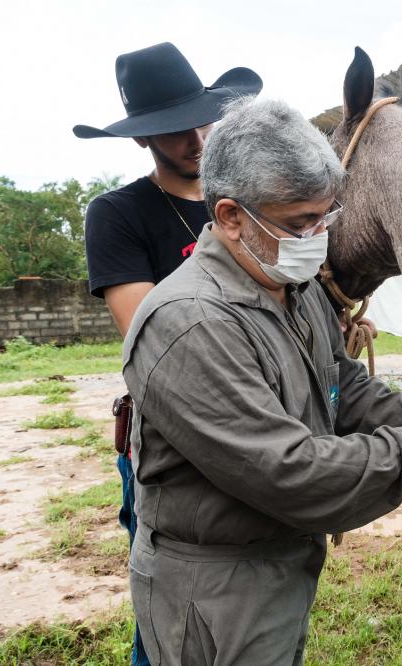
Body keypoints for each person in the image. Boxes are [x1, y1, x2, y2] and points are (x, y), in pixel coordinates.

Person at [121, 95, 402, 665]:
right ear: (232, 217)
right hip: (216, 584)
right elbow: (288, 471)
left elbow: (335, 384)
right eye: (299, 222)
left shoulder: (294, 284)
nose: (318, 235)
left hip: (279, 558)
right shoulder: (189, 323)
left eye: (325, 216)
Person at [74, 42, 262, 666]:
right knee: (169, 609)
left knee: (259, 591)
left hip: (260, 424)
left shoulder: (250, 206)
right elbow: (151, 336)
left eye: (201, 118)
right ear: (141, 140)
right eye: (171, 128)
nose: (195, 137)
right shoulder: (118, 215)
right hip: (168, 442)